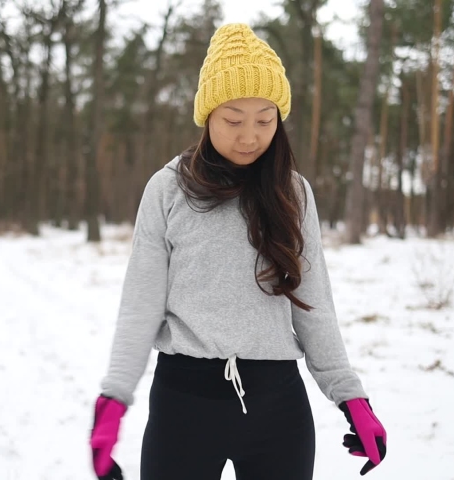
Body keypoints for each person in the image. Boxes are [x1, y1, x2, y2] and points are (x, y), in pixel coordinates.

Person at [89, 23, 387, 480]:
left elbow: (315, 307)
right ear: (207, 114)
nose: (250, 135)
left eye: (265, 119)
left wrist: (351, 397)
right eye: (233, 119)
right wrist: (113, 399)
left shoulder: (294, 193)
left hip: (278, 413)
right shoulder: (168, 189)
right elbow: (141, 306)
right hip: (184, 409)